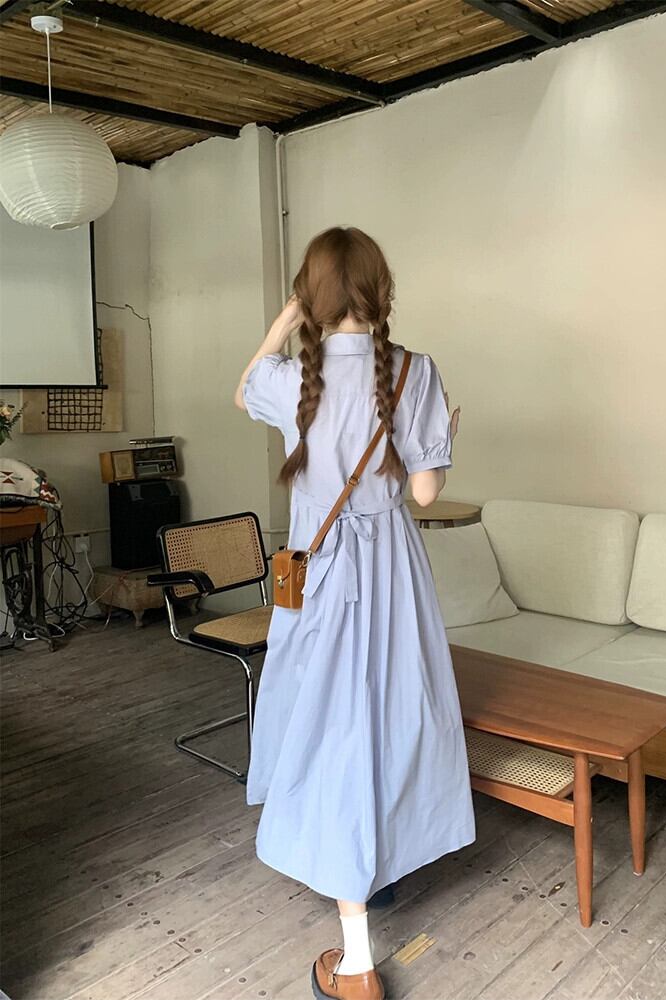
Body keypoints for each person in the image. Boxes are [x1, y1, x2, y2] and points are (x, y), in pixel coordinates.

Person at [234, 226, 476, 1000]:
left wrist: (285, 317)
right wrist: (445, 442)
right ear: (380, 288)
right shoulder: (415, 370)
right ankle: (374, 874)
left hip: (309, 569)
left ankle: (358, 961)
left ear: (312, 296)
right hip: (390, 570)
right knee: (392, 709)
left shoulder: (291, 376)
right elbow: (426, 494)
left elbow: (242, 389)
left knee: (323, 718)